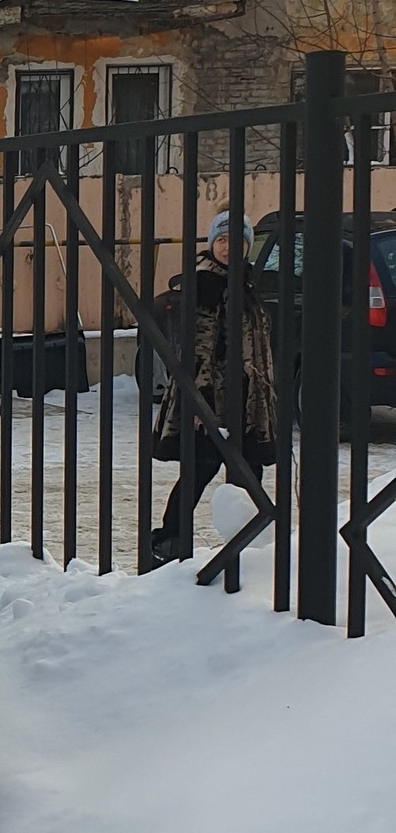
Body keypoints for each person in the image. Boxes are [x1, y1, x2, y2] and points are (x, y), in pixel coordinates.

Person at [149, 209, 276, 566]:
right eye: (221, 240)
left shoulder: (245, 282)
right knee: (200, 472)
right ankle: (169, 542)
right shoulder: (206, 283)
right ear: (211, 243)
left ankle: (247, 547)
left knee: (246, 476)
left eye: (237, 242)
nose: (228, 248)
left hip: (245, 402)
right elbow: (197, 347)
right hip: (213, 401)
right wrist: (197, 403)